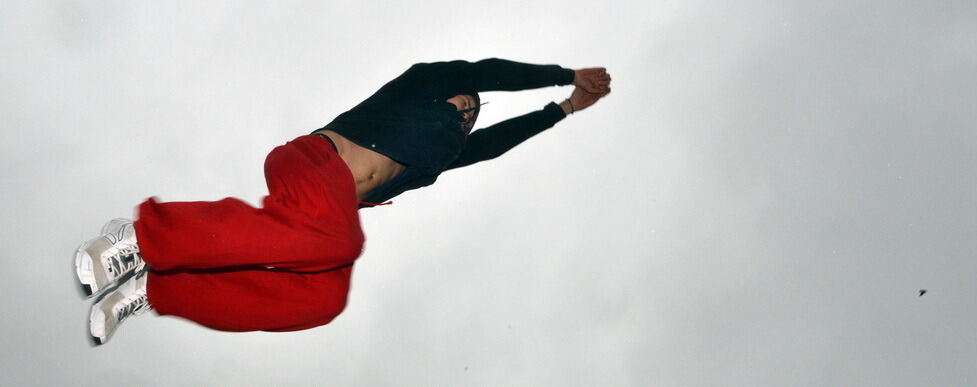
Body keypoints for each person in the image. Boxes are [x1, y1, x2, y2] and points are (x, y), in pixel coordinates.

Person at [73, 58, 612, 345]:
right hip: (310, 161)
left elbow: (493, 145)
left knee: (324, 299)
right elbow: (493, 71)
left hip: (317, 215)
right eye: (463, 102)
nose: (465, 112)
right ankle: (138, 237)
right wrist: (564, 76)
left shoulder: (439, 160)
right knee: (340, 239)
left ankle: (160, 289)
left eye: (470, 116)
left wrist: (563, 109)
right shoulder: (423, 85)